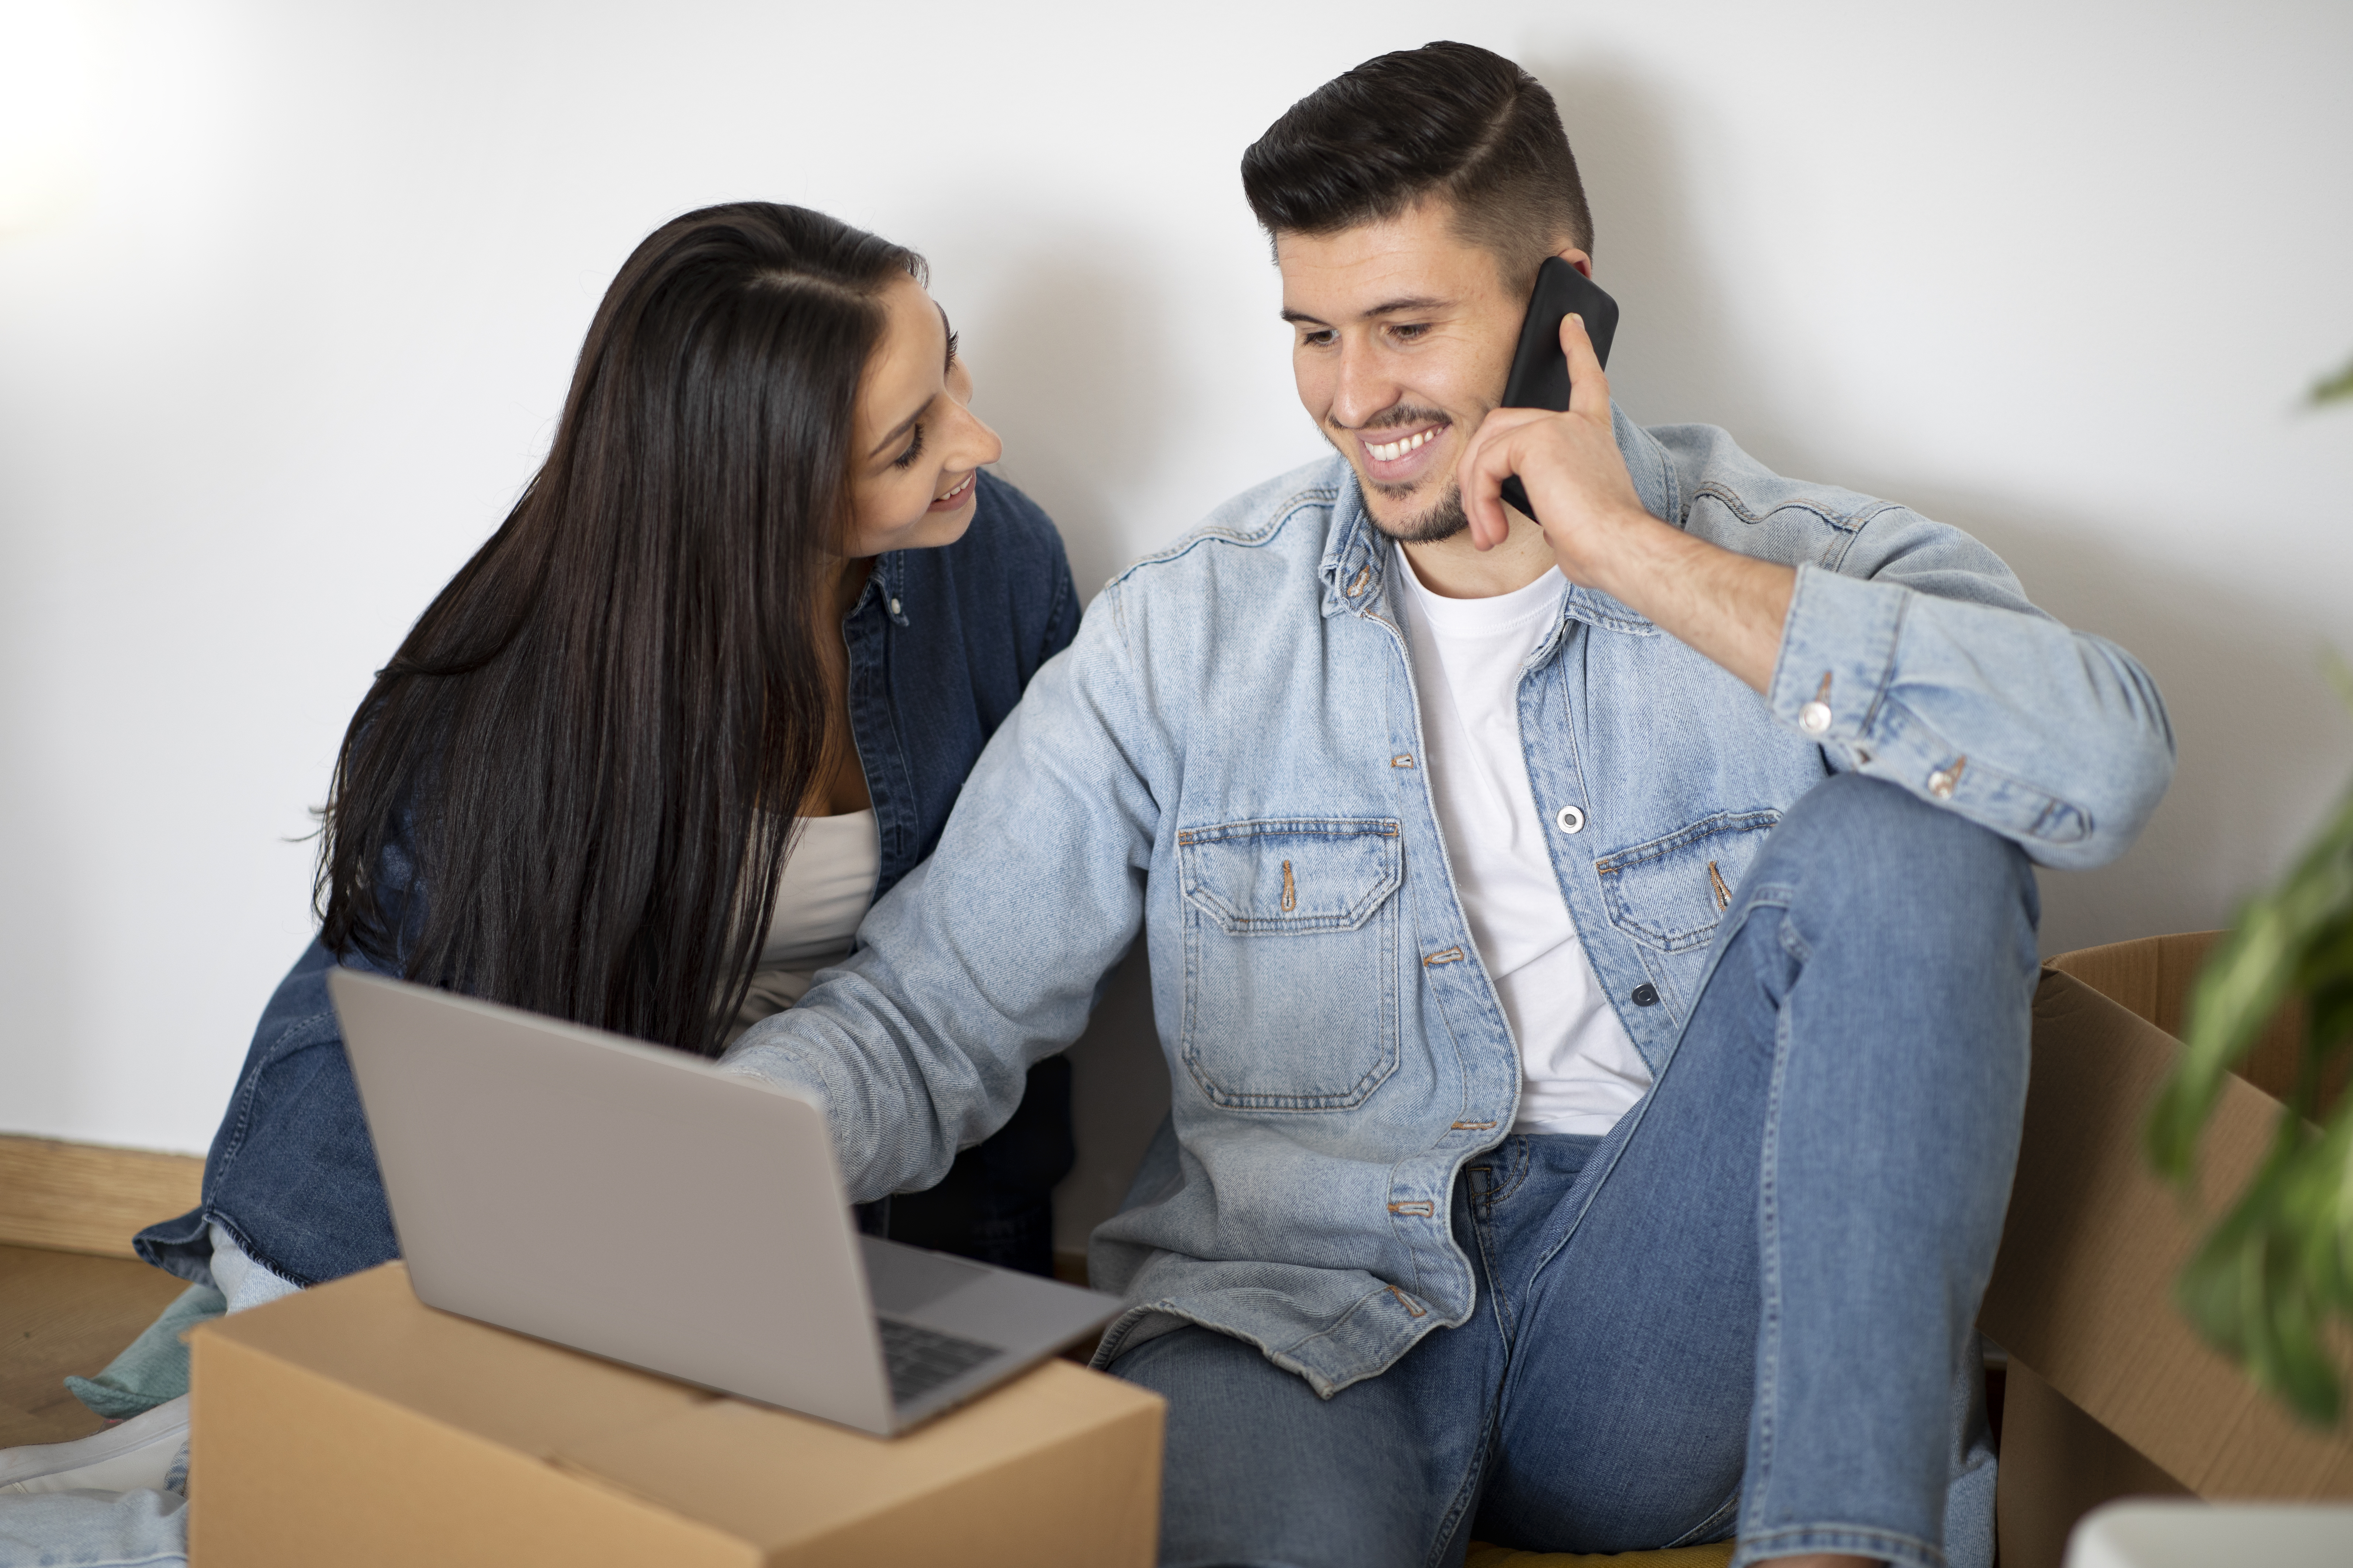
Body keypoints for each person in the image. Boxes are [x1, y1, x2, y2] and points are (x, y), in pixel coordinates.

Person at [718, 44, 2175, 1568]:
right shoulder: (1196, 629)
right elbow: (929, 1009)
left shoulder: (1780, 559)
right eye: (1311, 333)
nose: (1353, 399)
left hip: (1652, 1334)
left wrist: (1629, 556)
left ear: (1561, 302)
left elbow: (2099, 761)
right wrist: (697, 1159)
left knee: (1917, 835)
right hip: (1286, 1320)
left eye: (1404, 328)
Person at [0, 201, 1079, 1559]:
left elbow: (999, 969)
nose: (976, 441)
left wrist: (999, 1283)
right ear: (750, 493)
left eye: (952, 372)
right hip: (435, 1176)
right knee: (429, 1518)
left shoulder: (1001, 564)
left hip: (757, 1168)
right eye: (906, 439)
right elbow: (498, 1111)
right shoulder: (517, 691)